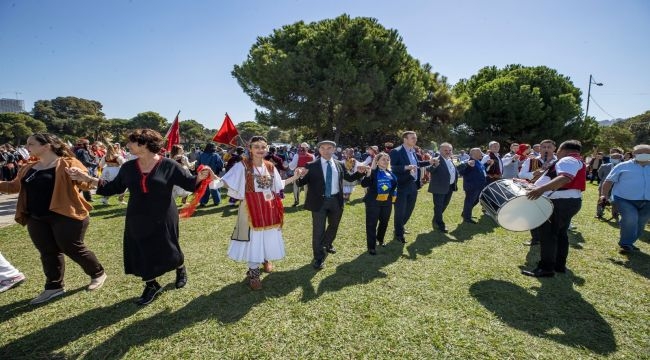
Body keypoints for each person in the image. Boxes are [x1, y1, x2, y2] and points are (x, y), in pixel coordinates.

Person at [67, 129, 215, 305]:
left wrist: (199, 176)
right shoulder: (128, 167)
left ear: (144, 144)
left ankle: (180, 268)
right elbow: (114, 187)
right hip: (137, 214)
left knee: (168, 245)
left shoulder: (168, 165)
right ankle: (151, 284)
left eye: (131, 142)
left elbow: (190, 184)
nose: (127, 145)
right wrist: (87, 178)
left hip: (164, 213)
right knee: (141, 248)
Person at [0, 133, 107, 304]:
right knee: (48, 252)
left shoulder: (68, 163)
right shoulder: (28, 167)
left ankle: (98, 274)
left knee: (72, 247)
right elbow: (14, 186)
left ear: (47, 146)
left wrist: (80, 176)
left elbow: (86, 184)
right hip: (36, 217)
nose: (27, 148)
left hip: (67, 215)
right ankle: (54, 287)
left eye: (31, 144)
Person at [210, 136, 303, 289]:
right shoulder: (243, 165)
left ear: (267, 149)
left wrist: (296, 176)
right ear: (250, 149)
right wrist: (214, 179)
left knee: (267, 236)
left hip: (268, 206)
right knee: (253, 239)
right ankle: (253, 273)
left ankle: (265, 258)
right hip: (250, 207)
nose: (260, 150)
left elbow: (279, 185)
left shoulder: (270, 166)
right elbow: (228, 181)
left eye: (263, 147)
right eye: (256, 147)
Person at [296, 140, 366, 269]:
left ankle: (328, 244)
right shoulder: (311, 165)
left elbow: (349, 178)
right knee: (318, 231)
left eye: (329, 148)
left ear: (334, 150)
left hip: (336, 201)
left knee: (334, 226)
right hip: (318, 203)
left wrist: (359, 172)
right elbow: (301, 183)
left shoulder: (340, 164)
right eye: (323, 148)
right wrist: (299, 176)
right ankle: (318, 257)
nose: (326, 150)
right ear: (319, 150)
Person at [522, 140, 586, 277]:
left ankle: (546, 268)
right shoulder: (575, 160)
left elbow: (565, 178)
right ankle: (559, 265)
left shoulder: (567, 159)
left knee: (548, 235)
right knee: (561, 234)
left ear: (563, 150)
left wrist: (540, 189)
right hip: (568, 201)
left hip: (560, 202)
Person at [600, 144, 650, 253]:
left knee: (641, 223)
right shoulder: (622, 166)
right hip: (624, 199)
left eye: (646, 153)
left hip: (648, 201)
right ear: (634, 154)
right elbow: (608, 181)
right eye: (640, 153)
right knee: (630, 219)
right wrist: (603, 195)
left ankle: (630, 241)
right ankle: (626, 244)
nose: (643, 155)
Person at [389, 131, 434, 242]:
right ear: (405, 139)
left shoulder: (413, 151)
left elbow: (417, 164)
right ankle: (399, 233)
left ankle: (400, 226)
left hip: (413, 184)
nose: (415, 140)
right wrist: (405, 167)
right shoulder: (396, 151)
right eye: (412, 138)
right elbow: (392, 167)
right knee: (400, 209)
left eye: (415, 138)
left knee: (409, 208)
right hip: (401, 184)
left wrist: (429, 161)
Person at [360, 152, 397, 255]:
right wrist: (367, 175)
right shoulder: (373, 172)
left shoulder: (390, 173)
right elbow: (364, 184)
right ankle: (371, 247)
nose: (386, 161)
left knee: (384, 222)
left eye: (387, 159)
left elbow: (394, 186)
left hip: (387, 202)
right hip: (373, 202)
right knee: (371, 224)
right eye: (383, 159)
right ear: (377, 161)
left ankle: (380, 239)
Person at [427, 142, 459, 232]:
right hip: (439, 188)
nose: (448, 152)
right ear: (440, 150)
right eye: (446, 150)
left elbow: (453, 171)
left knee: (444, 204)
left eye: (450, 150)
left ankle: (435, 220)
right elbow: (429, 169)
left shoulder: (450, 159)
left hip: (450, 187)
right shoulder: (436, 159)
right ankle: (440, 223)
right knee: (439, 206)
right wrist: (435, 165)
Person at [457, 148, 487, 224]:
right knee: (469, 201)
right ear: (474, 154)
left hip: (479, 186)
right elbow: (461, 171)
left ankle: (466, 213)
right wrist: (469, 165)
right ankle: (467, 217)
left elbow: (482, 171)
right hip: (472, 186)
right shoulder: (467, 161)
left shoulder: (478, 161)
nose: (481, 154)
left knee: (476, 200)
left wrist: (487, 164)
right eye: (480, 152)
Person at [596, 149, 623, 220]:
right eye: (613, 158)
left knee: (615, 201)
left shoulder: (623, 167)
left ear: (620, 159)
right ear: (610, 158)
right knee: (602, 199)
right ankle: (599, 213)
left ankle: (615, 214)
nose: (614, 159)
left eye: (616, 158)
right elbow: (600, 175)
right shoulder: (604, 166)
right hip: (604, 186)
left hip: (617, 187)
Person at [196, 143, 224, 207]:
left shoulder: (201, 155)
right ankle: (217, 201)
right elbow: (221, 165)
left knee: (204, 188)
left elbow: (198, 164)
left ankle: (203, 202)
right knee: (214, 188)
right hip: (212, 174)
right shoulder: (215, 155)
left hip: (203, 174)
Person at [288, 142, 315, 207]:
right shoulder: (312, 156)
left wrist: (289, 165)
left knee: (296, 187)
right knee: (307, 188)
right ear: (307, 148)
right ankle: (307, 201)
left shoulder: (297, 155)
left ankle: (296, 201)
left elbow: (292, 166)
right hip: (308, 172)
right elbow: (314, 165)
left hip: (299, 171)